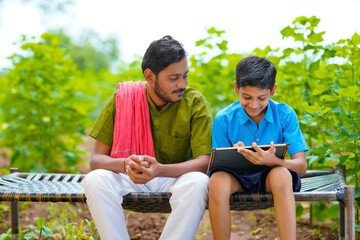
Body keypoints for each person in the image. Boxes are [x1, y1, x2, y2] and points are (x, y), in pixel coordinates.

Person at [83, 36, 212, 240]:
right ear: (150, 76)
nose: (182, 84)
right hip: (130, 177)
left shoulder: (194, 103)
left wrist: (160, 170)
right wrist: (126, 163)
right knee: (95, 179)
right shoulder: (123, 99)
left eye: (185, 76)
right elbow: (96, 160)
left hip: (173, 177)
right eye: (173, 78)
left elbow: (204, 162)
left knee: (198, 182)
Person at [208, 56, 308, 240]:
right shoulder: (224, 119)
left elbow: (301, 166)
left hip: (271, 177)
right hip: (236, 178)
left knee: (282, 175)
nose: (254, 105)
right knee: (217, 181)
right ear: (236, 88)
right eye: (246, 97)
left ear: (273, 90)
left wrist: (275, 161)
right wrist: (235, 154)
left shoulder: (285, 115)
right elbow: (216, 167)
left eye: (262, 98)